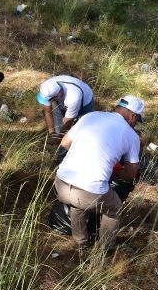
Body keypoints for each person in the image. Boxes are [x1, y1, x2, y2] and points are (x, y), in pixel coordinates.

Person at [54, 96, 144, 249]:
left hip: (60, 184)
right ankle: (106, 248)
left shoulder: (90, 116)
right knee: (114, 208)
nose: (135, 124)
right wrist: (115, 171)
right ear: (133, 116)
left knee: (78, 204)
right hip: (89, 193)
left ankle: (80, 242)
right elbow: (130, 174)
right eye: (137, 120)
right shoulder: (131, 135)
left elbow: (64, 144)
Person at [36, 75, 95, 144]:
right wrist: (52, 133)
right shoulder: (48, 86)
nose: (47, 102)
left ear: (57, 96)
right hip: (63, 98)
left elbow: (68, 122)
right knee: (59, 125)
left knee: (84, 128)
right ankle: (60, 142)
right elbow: (47, 111)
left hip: (85, 101)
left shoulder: (73, 98)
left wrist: (58, 139)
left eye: (49, 100)